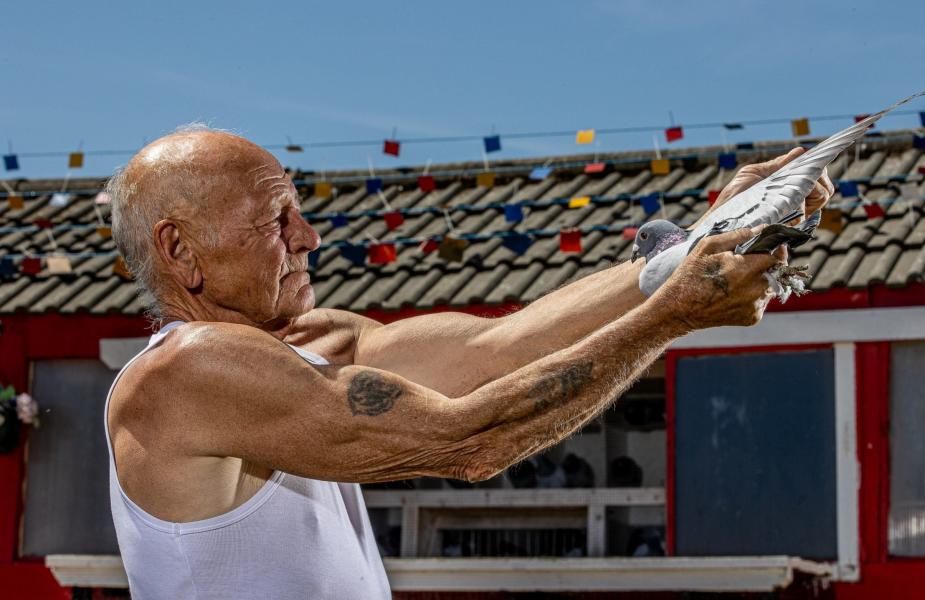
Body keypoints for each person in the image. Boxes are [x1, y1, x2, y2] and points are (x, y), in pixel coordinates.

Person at [103, 125, 832, 599]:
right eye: (275, 219)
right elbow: (467, 440)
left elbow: (500, 348)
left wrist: (699, 242)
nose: (309, 236)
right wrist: (671, 317)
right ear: (180, 251)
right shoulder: (184, 374)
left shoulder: (312, 343)